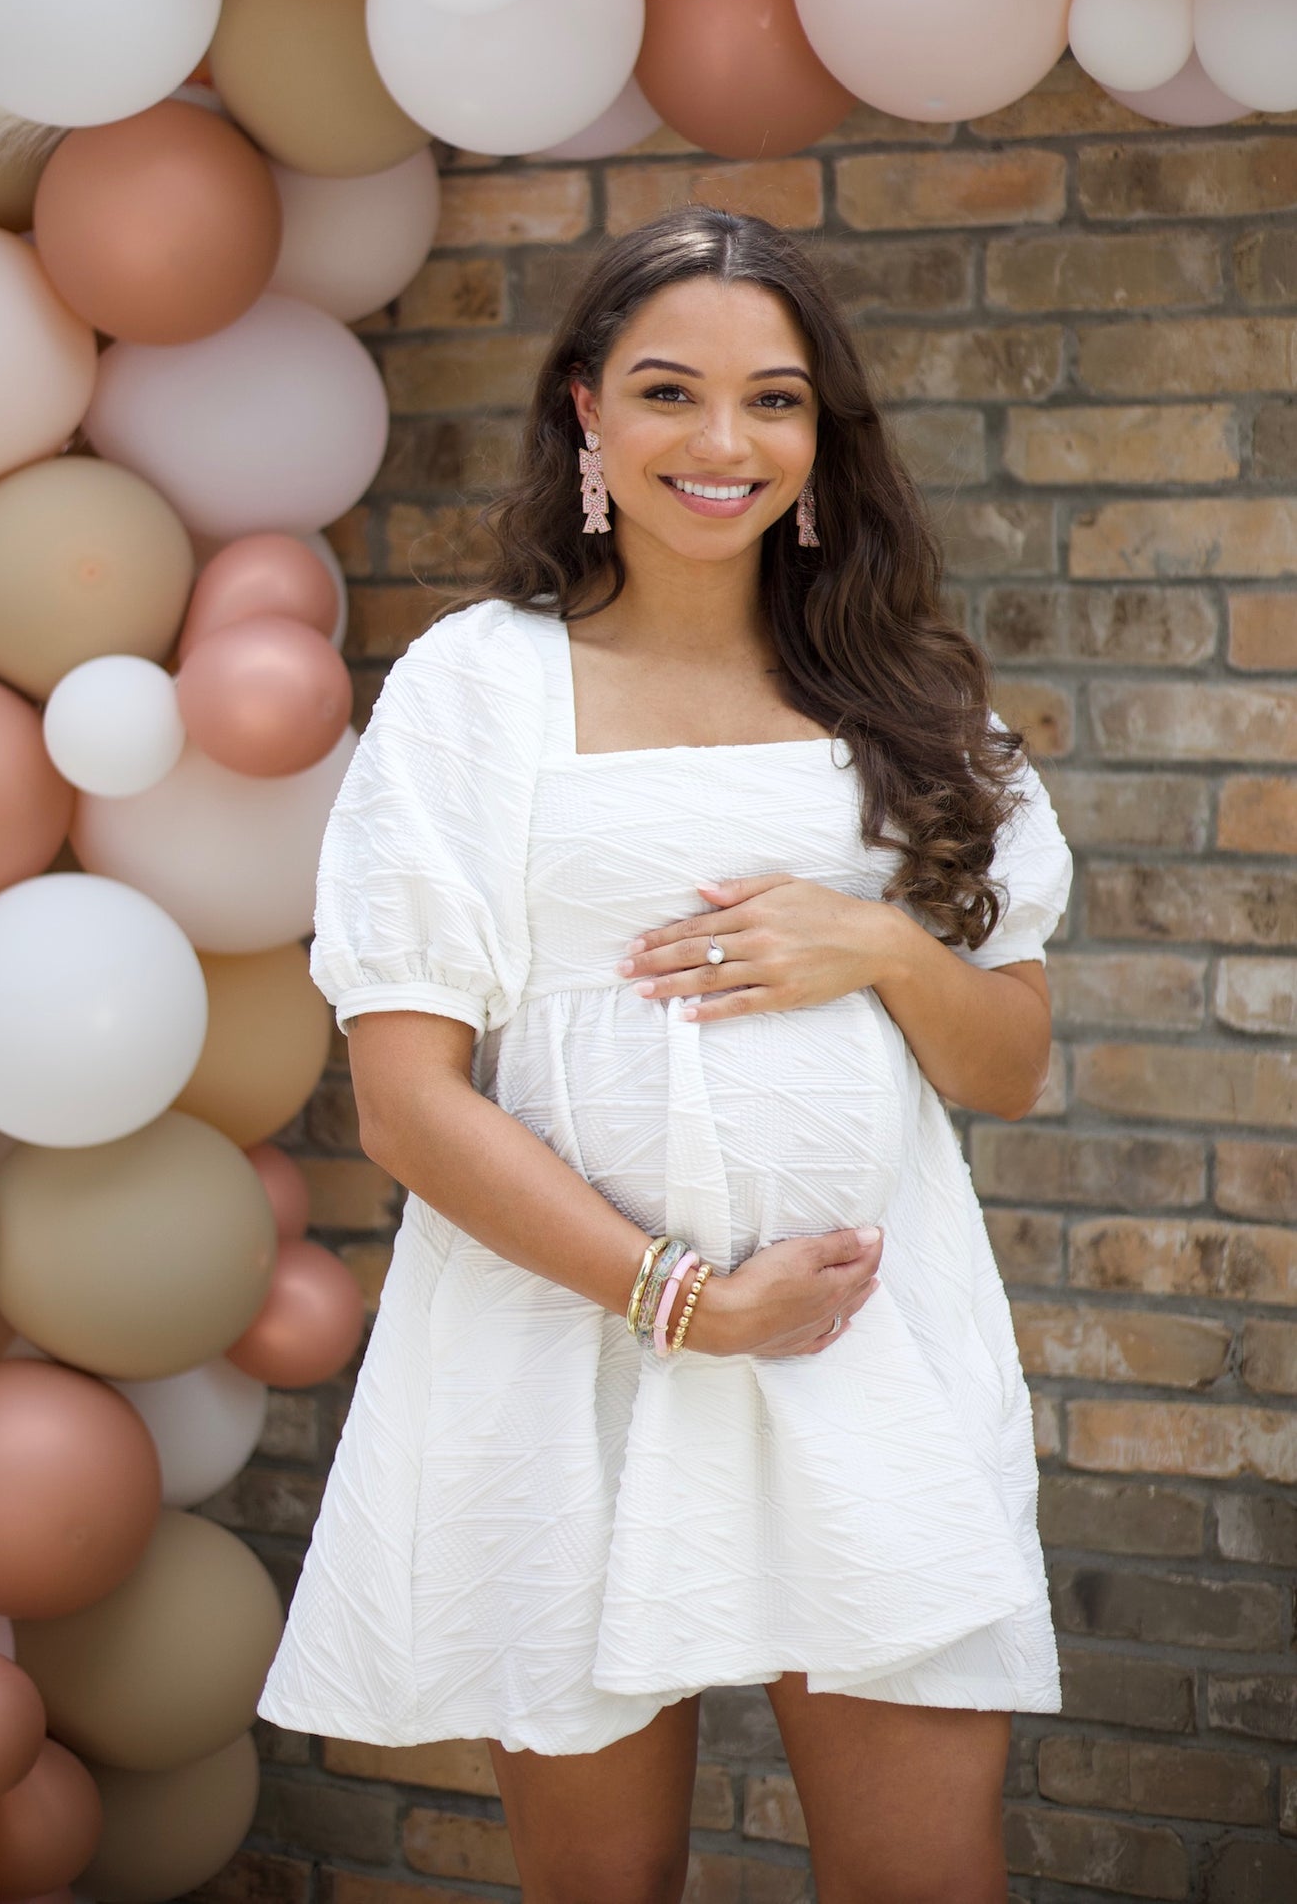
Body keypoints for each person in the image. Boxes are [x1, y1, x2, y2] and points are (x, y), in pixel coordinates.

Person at [257, 205, 1074, 1904]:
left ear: (818, 434)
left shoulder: (905, 697)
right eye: (666, 392)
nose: (723, 445)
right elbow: (404, 1109)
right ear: (583, 413)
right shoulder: (475, 691)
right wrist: (685, 1303)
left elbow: (1006, 1066)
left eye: (773, 401)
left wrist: (879, 946)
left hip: (860, 1343)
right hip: (570, 1350)